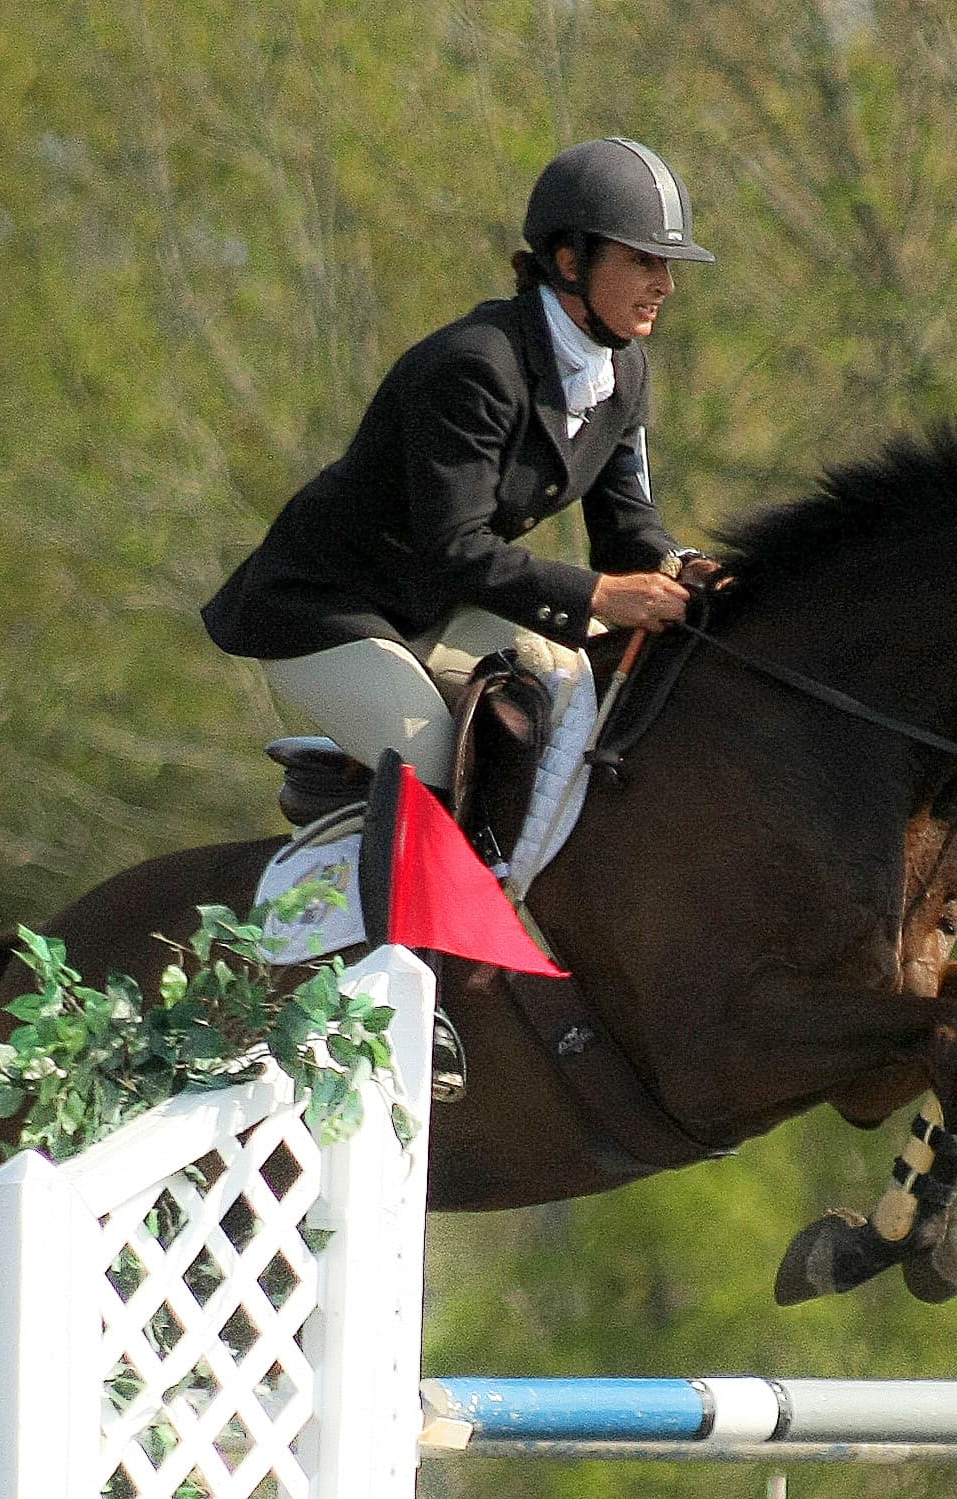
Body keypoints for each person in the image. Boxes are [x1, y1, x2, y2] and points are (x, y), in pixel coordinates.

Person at [201, 138, 719, 1091]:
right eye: (644, 260)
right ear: (568, 260)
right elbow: (456, 547)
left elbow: (627, 528)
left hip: (432, 603)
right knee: (438, 756)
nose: (664, 285)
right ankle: (407, 994)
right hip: (321, 606)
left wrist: (678, 565)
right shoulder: (474, 366)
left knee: (575, 683)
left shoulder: (622, 373)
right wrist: (599, 597)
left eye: (668, 264)